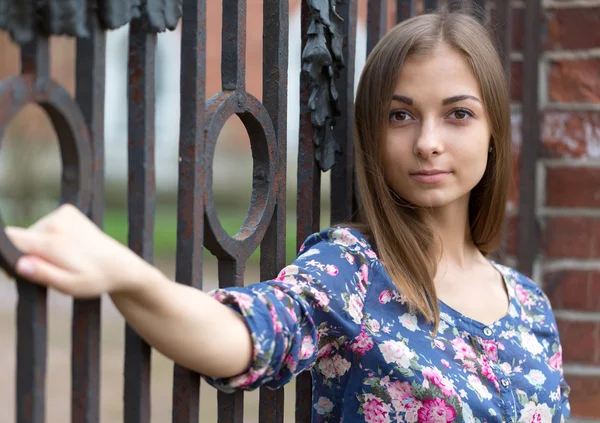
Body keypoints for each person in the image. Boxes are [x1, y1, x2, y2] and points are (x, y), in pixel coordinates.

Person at [5, 10, 570, 423]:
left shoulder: (528, 305)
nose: (427, 142)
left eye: (458, 115)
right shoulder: (353, 272)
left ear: (494, 131)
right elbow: (241, 337)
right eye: (401, 115)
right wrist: (124, 271)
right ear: (374, 133)